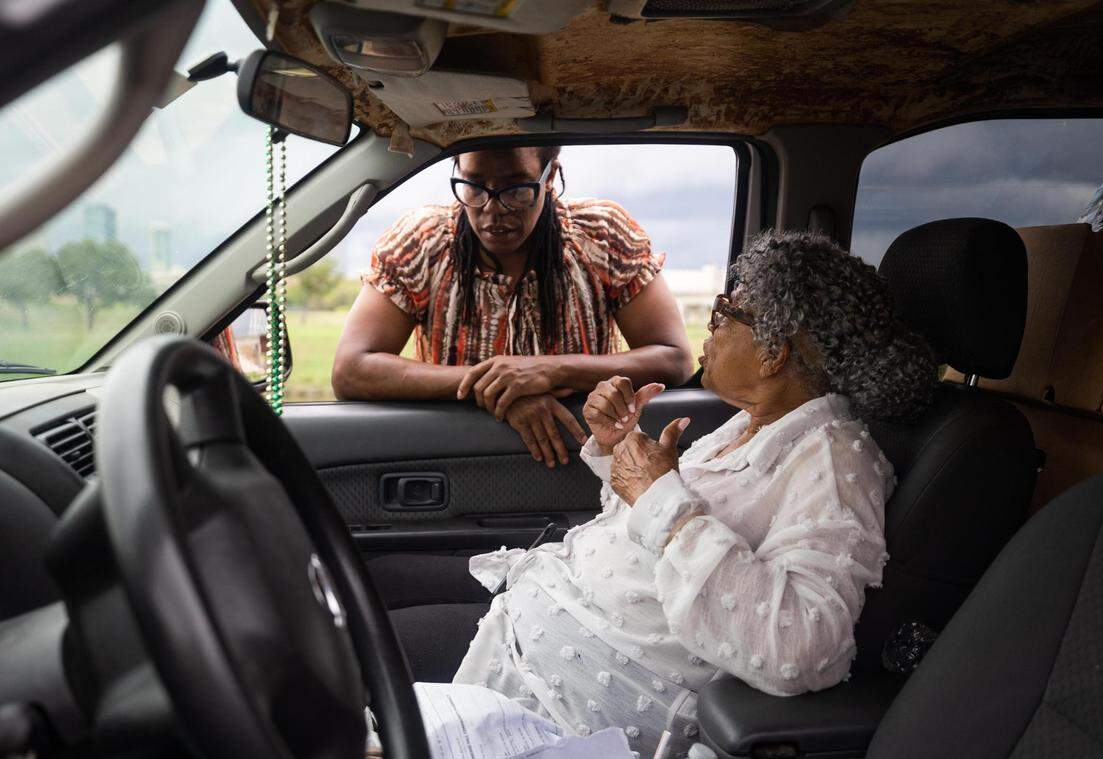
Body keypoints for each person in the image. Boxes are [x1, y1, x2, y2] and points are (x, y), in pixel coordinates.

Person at [373, 230, 938, 757]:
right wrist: (621, 447)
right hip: (538, 607)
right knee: (375, 581)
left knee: (346, 645)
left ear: (774, 352)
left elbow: (802, 648)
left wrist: (660, 496)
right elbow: (648, 534)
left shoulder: (835, 462)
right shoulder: (750, 425)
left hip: (559, 688)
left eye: (726, 313)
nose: (710, 327)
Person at [333, 146, 692, 467]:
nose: (493, 210)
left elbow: (673, 360)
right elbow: (352, 369)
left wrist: (551, 371)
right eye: (473, 186)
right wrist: (499, 390)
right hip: (461, 458)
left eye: (517, 189)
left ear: (550, 176)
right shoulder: (422, 241)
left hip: (592, 460)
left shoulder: (602, 235)